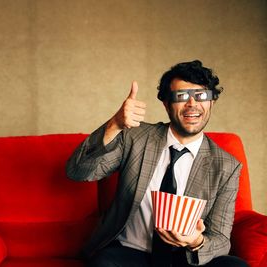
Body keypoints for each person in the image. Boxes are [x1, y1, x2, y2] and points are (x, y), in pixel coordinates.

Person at [66, 60, 248, 267]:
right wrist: (114, 125)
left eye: (201, 96)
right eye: (181, 96)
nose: (192, 104)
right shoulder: (136, 137)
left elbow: (221, 239)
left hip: (186, 259)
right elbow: (78, 171)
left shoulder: (226, 165)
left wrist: (196, 242)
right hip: (131, 254)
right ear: (166, 104)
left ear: (211, 102)